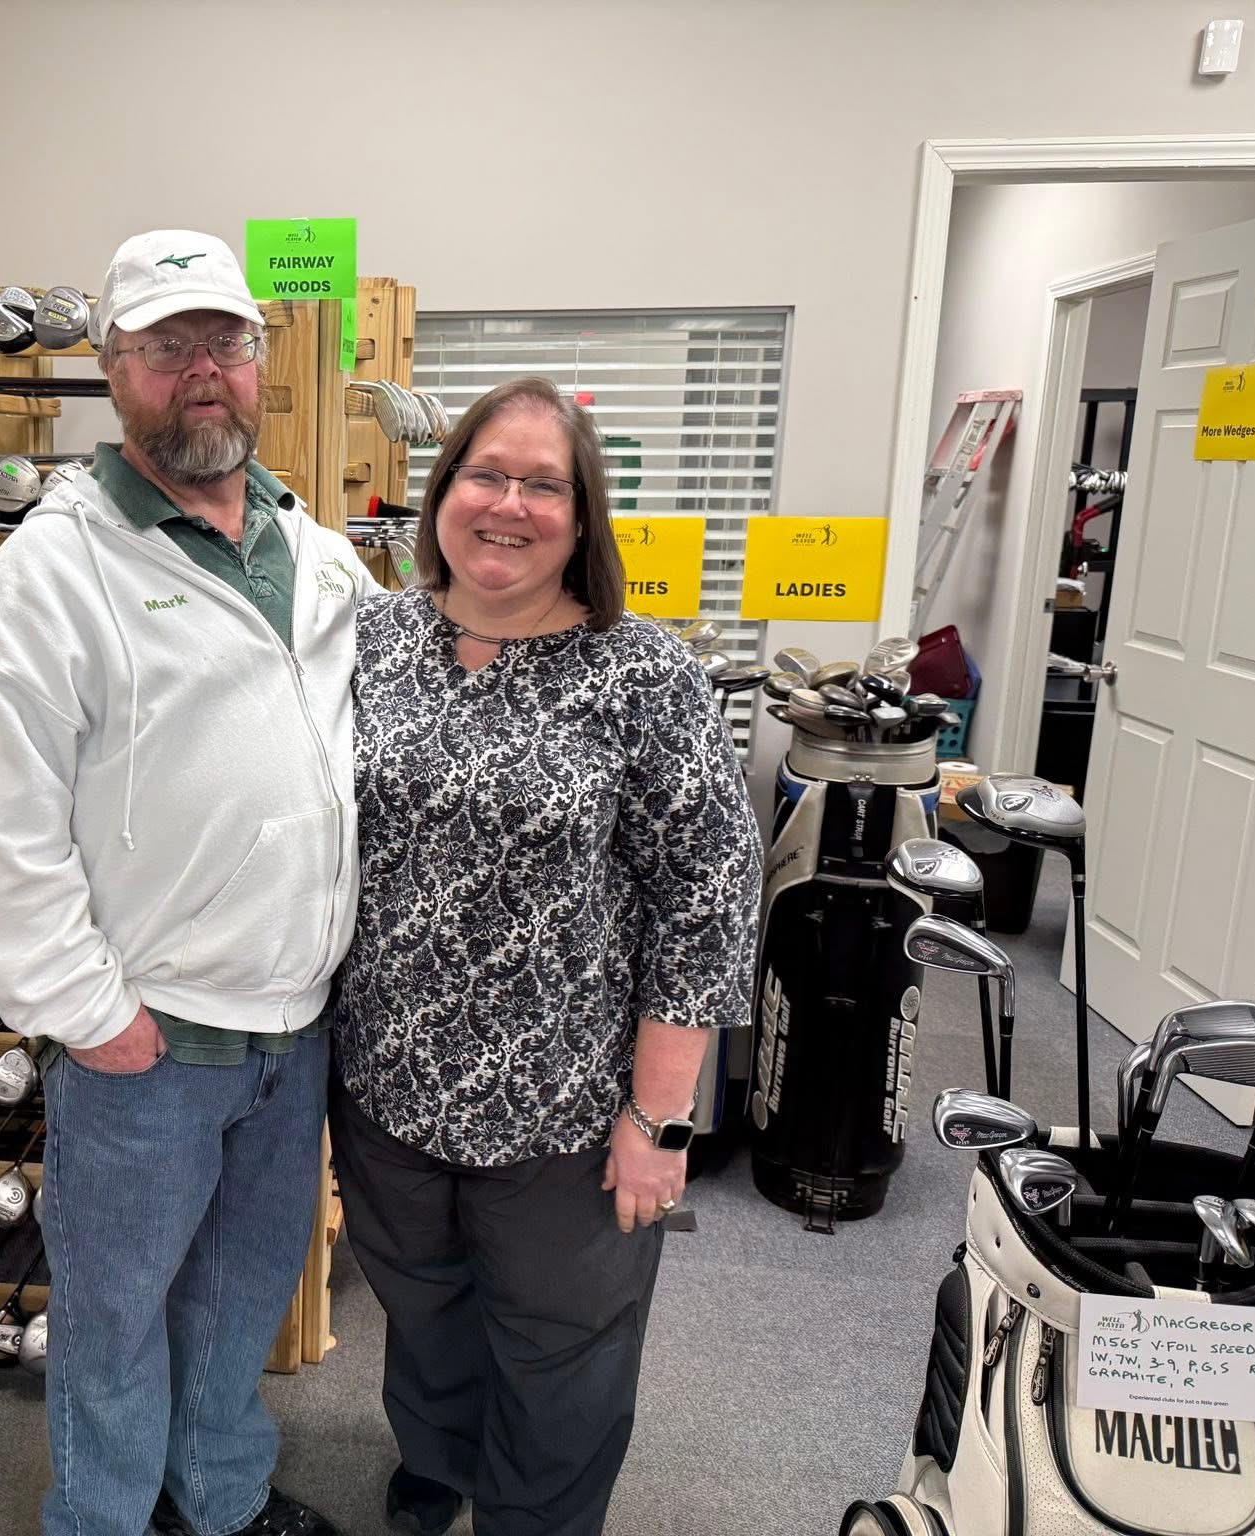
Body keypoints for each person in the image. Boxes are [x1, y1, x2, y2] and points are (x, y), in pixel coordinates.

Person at [0, 229, 372, 1536]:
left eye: (223, 343)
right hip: (151, 1040)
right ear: (114, 370)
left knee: (238, 1300)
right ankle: (106, 1522)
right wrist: (88, 1013)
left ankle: (217, 1502)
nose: (201, 372)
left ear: (257, 361)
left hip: (293, 1025)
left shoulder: (314, 550)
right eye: (166, 347)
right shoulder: (55, 571)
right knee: (116, 1319)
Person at [330, 376, 763, 1536]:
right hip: (385, 1084)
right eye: (485, 474)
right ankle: (440, 1459)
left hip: (564, 1110)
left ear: (581, 519)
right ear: (442, 491)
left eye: (541, 485)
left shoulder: (642, 673)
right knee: (423, 1311)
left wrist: (658, 1122)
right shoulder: (370, 641)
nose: (507, 504)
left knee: (562, 1348)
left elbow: (707, 898)